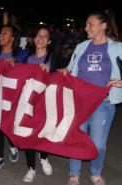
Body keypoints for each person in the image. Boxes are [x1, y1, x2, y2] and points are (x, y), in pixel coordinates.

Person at [64, 10, 122, 185]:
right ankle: (74, 174)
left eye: (91, 24)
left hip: (103, 104)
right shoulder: (82, 46)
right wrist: (55, 71)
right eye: (86, 24)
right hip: (80, 102)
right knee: (77, 139)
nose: (86, 27)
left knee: (98, 144)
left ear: (103, 26)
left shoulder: (117, 48)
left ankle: (95, 172)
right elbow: (70, 70)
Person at [20, 26, 60, 182]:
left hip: (46, 103)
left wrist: (48, 71)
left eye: (45, 36)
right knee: (28, 134)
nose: (41, 38)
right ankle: (31, 168)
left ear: (49, 41)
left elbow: (58, 77)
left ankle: (43, 157)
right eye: (38, 35)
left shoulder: (53, 57)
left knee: (44, 132)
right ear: (34, 38)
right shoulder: (26, 58)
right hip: (29, 102)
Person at [0, 24, 28, 169]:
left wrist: (16, 63)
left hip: (13, 97)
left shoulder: (21, 54)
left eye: (5, 33)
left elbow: (28, 72)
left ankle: (13, 145)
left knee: (10, 125)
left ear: (12, 38)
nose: (0, 35)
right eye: (0, 32)